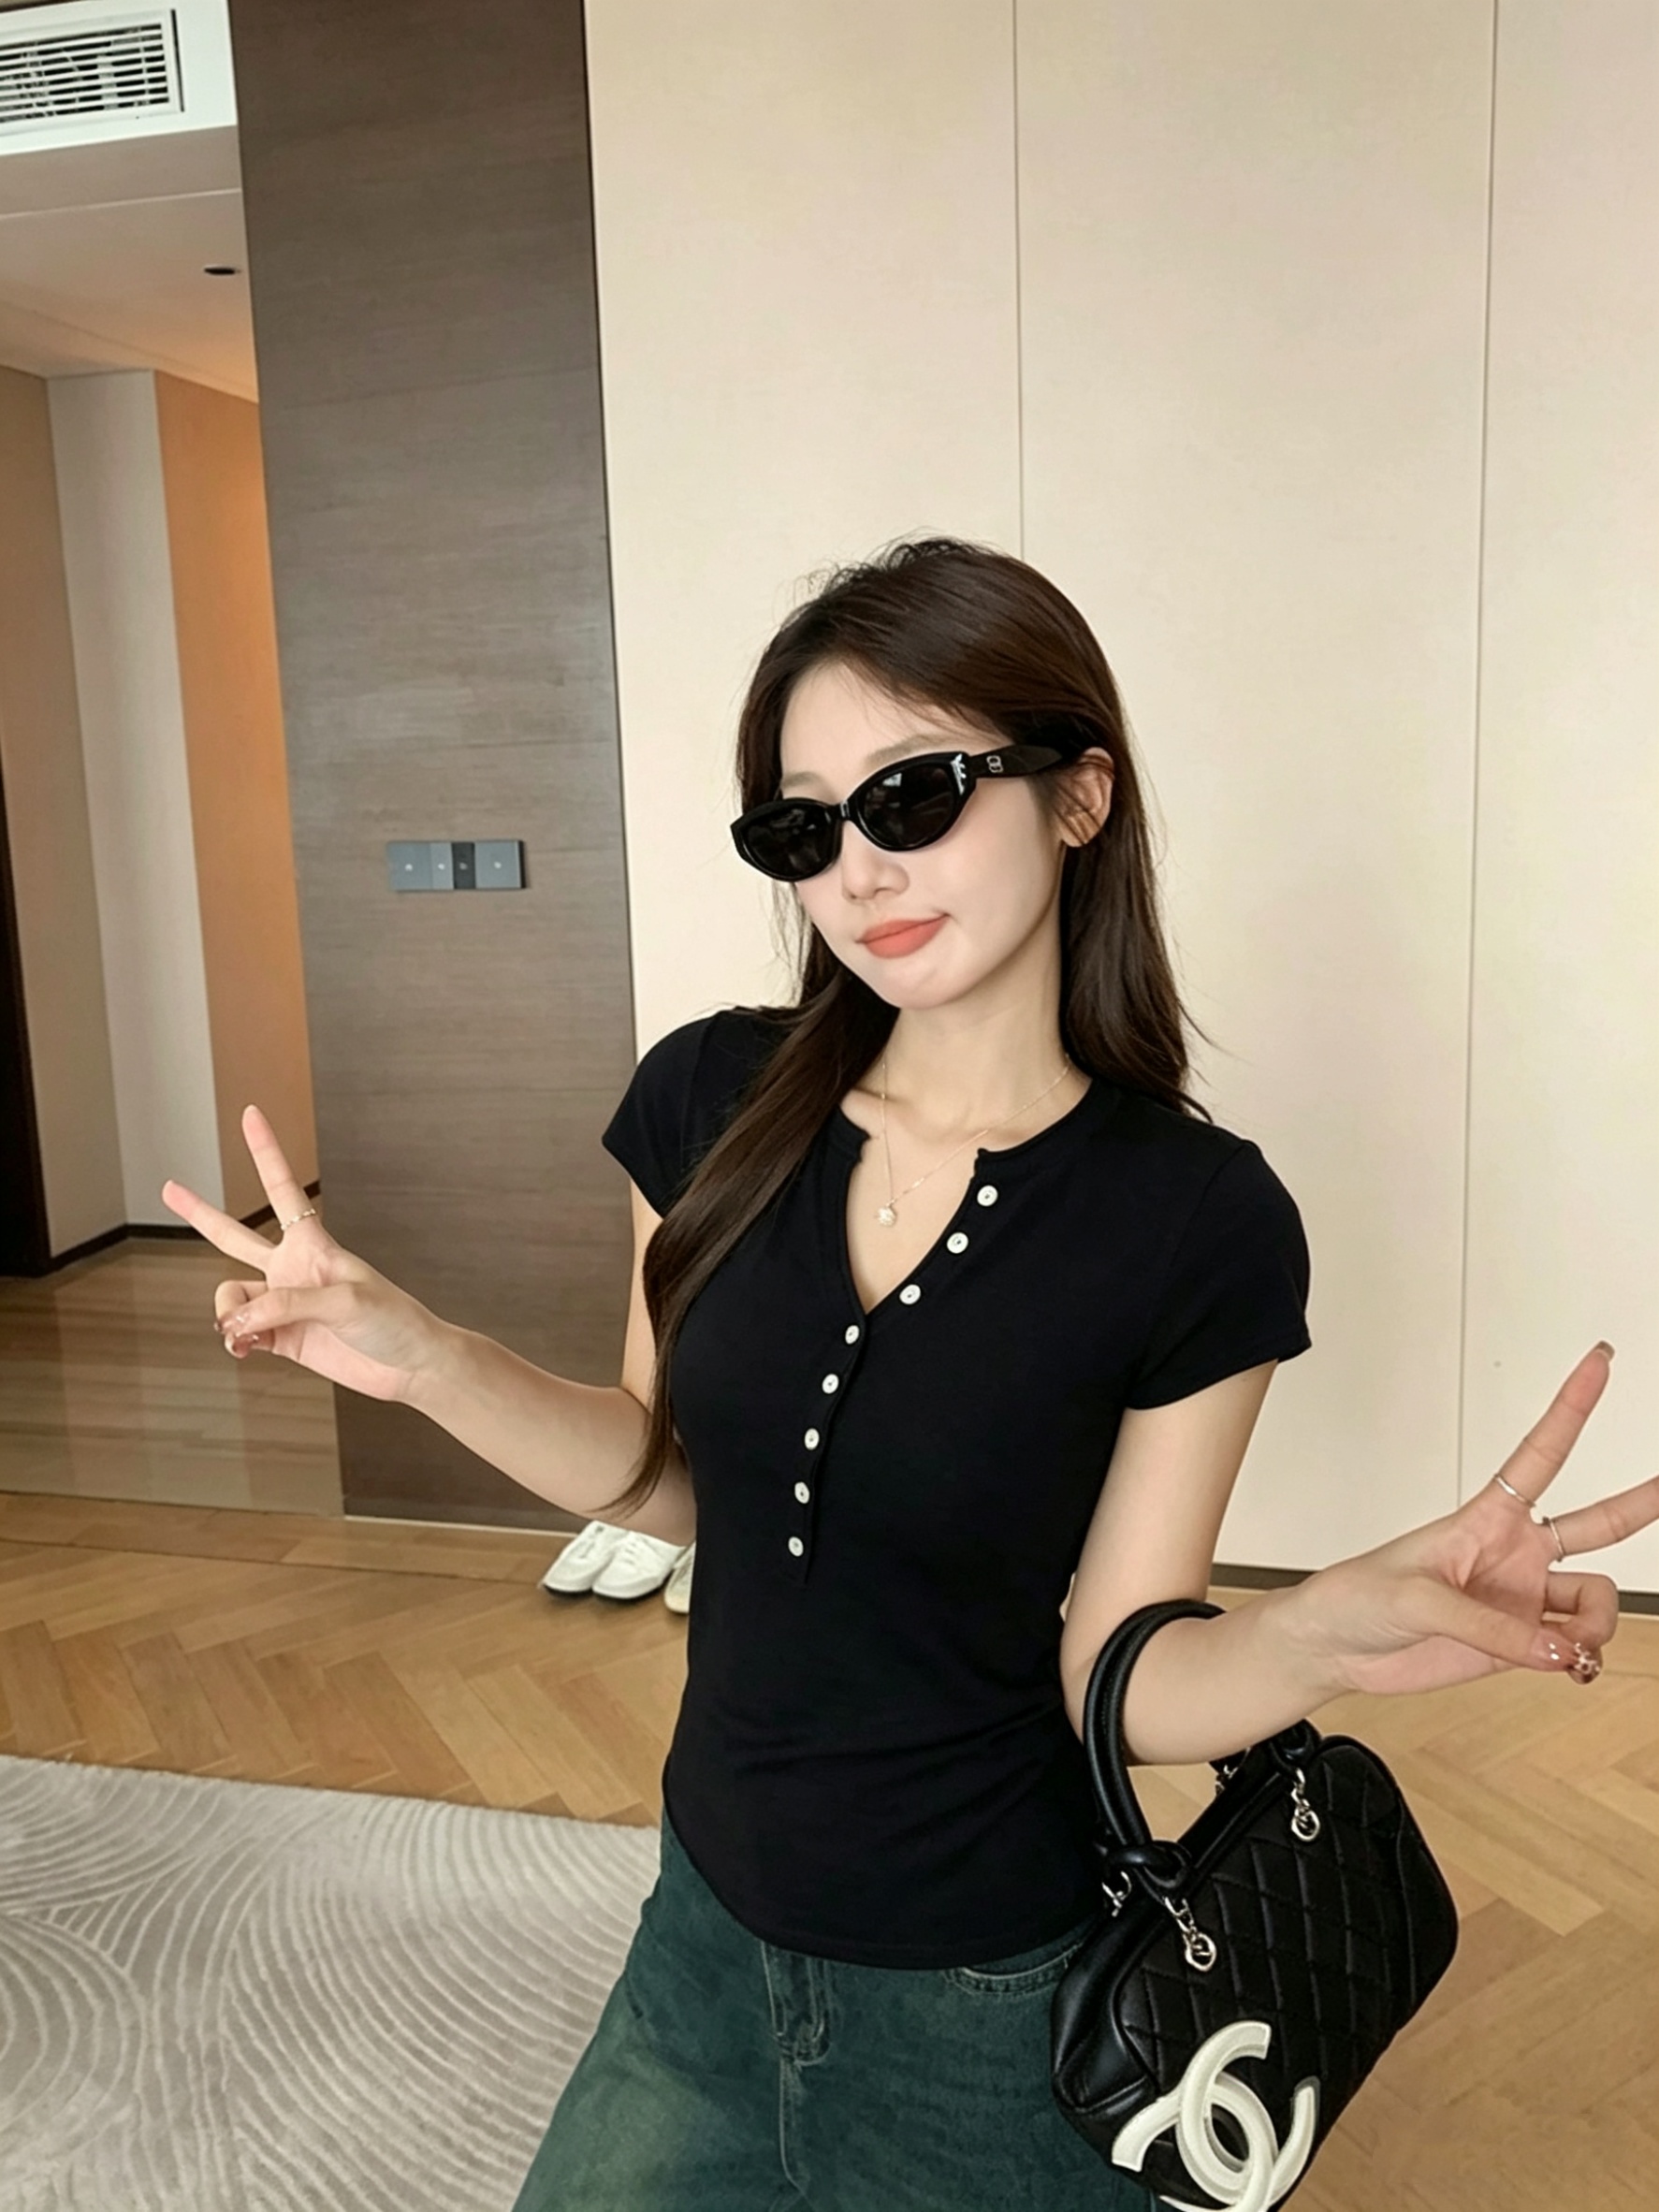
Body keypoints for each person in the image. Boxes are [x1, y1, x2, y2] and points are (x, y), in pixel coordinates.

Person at [163, 538, 1659, 2212]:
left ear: (1078, 795)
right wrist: (427, 1358)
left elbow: (1119, 1672)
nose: (860, 869)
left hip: (990, 1999)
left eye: (914, 793)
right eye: (804, 827)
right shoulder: (708, 1099)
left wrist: (1317, 1633)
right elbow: (660, 1478)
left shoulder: (1194, 1219)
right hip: (700, 1940)